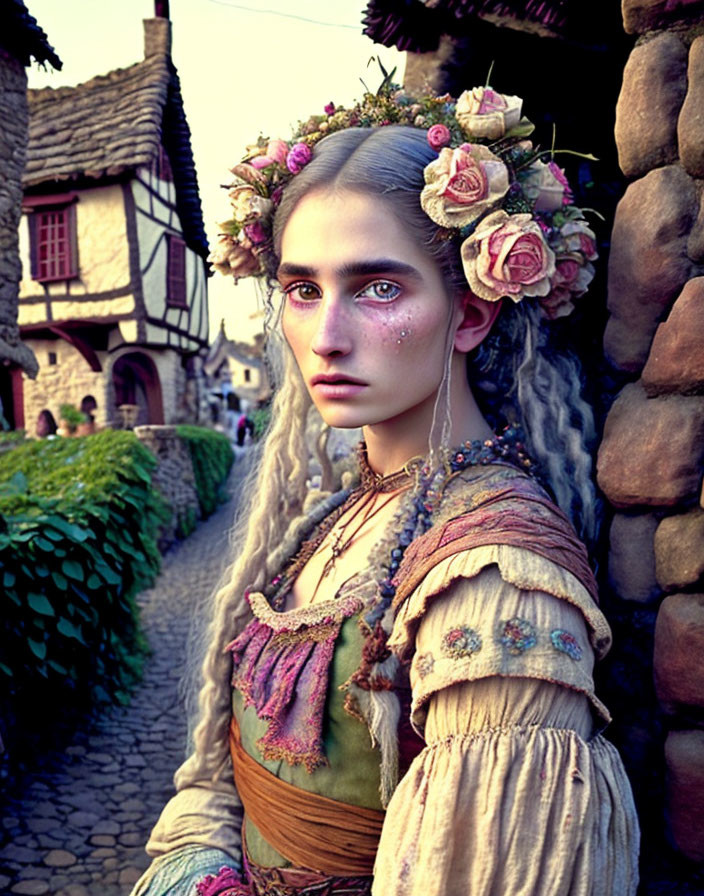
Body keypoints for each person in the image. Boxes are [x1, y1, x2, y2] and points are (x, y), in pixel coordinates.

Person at [131, 84, 640, 896]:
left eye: (378, 288)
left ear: (470, 316)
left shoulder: (496, 576)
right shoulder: (342, 509)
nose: (326, 337)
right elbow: (220, 779)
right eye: (303, 290)